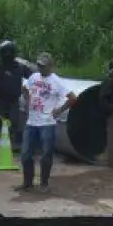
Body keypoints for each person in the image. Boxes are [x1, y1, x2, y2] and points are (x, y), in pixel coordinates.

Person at [19, 53, 77, 193]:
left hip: (47, 122)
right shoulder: (33, 77)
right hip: (31, 121)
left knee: (46, 154)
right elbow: (24, 88)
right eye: (39, 65)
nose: (40, 68)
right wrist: (27, 103)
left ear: (50, 66)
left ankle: (44, 183)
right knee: (26, 154)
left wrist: (59, 110)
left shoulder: (57, 81)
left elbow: (73, 98)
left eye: (43, 66)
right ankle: (28, 182)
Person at [0, 40, 31, 151]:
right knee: (1, 122)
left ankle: (11, 144)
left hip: (14, 99)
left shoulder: (19, 67)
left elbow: (32, 76)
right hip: (0, 100)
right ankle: (1, 143)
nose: (8, 55)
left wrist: (28, 88)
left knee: (14, 121)